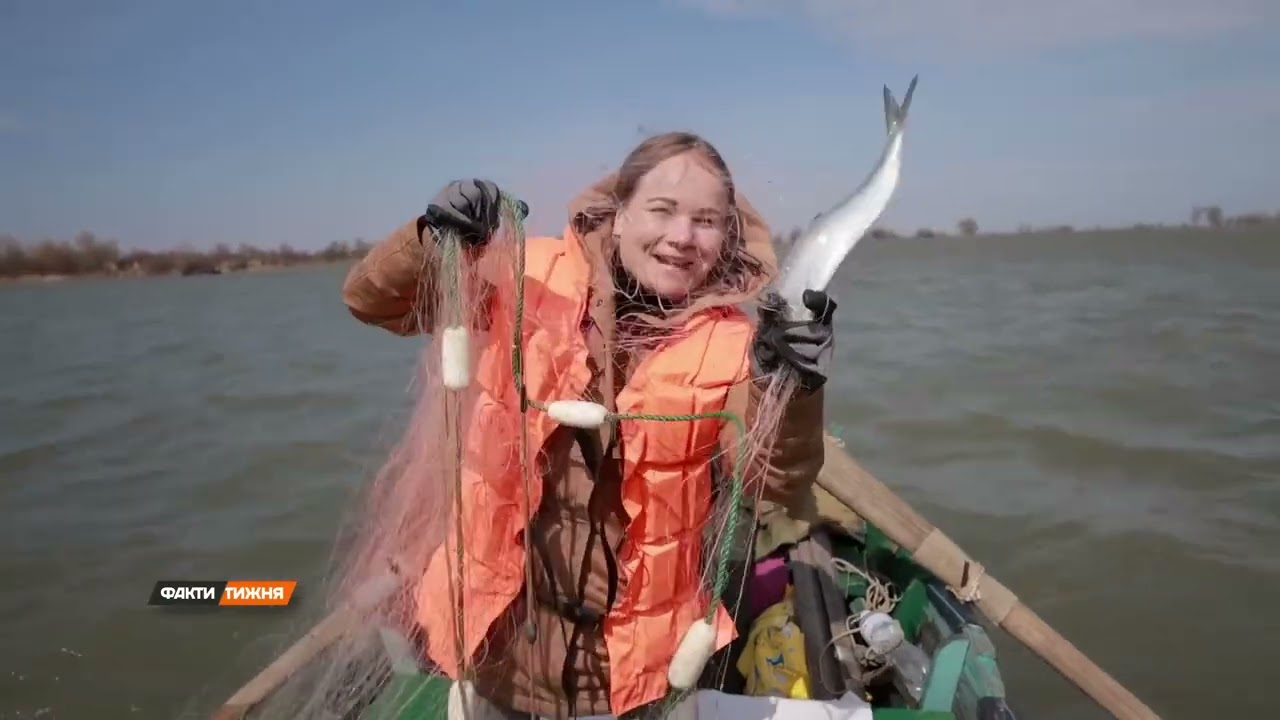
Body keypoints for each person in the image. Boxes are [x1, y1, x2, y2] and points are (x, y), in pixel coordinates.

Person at [341, 132, 838, 719]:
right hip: (496, 642)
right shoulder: (524, 273)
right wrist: (437, 237)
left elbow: (773, 483)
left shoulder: (738, 345)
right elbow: (375, 302)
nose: (682, 237)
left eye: (706, 221)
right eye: (662, 210)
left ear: (726, 235)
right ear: (619, 214)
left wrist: (792, 387)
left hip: (630, 671)